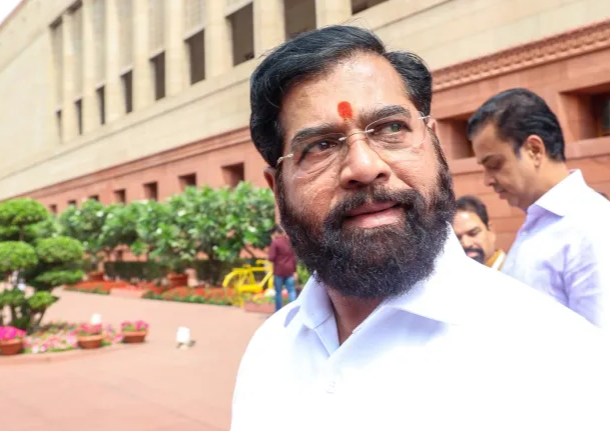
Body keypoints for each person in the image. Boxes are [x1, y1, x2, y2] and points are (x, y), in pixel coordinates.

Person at [231, 26, 608, 431]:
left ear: (434, 145)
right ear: (277, 189)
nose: (365, 166)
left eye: (391, 128)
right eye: (320, 145)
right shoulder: (268, 352)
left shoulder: (559, 359)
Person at [468, 88, 610, 327]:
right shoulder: (538, 224)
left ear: (534, 150)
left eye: (494, 164)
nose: (487, 180)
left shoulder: (592, 227)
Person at [453, 195, 506, 269]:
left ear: (491, 230)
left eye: (473, 233)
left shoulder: (516, 270)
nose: (466, 244)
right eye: (457, 238)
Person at [267, 225, 297, 311]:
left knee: (278, 292)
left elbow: (271, 258)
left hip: (279, 271)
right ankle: (293, 310)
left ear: (276, 233)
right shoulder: (290, 242)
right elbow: (294, 257)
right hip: (290, 270)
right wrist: (295, 271)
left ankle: (278, 310)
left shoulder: (275, 242)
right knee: (291, 291)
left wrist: (273, 243)